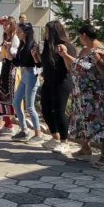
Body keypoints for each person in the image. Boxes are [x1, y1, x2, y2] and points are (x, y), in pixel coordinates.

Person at [58, 24, 104, 167]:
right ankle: (85, 148)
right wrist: (65, 56)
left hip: (96, 94)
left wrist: (98, 60)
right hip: (81, 93)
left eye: (80, 36)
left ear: (84, 35)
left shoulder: (101, 50)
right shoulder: (84, 49)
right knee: (82, 120)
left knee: (98, 122)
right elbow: (73, 66)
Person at [33, 21, 77, 154]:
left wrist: (65, 54)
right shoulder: (48, 46)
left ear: (54, 32)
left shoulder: (67, 46)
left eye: (47, 31)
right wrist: (36, 56)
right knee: (45, 109)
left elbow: (72, 67)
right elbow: (44, 64)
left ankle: (64, 141)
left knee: (59, 111)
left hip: (62, 82)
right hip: (48, 81)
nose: (45, 33)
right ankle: (55, 137)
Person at [11, 22, 43, 144]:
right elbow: (18, 63)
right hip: (24, 74)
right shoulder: (22, 45)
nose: (17, 34)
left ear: (26, 33)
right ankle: (24, 130)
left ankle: (38, 133)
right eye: (17, 31)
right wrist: (9, 52)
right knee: (16, 102)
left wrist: (35, 56)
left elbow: (39, 64)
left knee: (30, 107)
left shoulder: (33, 45)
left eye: (19, 31)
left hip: (31, 75)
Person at [0, 17, 18, 135]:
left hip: (12, 69)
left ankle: (15, 126)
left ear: (12, 25)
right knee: (1, 96)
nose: (4, 27)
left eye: (7, 25)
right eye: (3, 25)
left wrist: (9, 48)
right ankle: (8, 125)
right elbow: (1, 56)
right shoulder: (6, 37)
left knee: (10, 97)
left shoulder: (15, 38)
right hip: (5, 68)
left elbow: (15, 55)